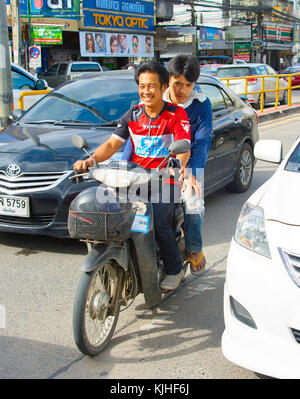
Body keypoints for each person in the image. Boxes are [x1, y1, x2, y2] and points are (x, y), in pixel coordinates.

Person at [73, 61, 191, 291]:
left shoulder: (177, 114)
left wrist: (176, 165)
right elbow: (111, 144)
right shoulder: (133, 115)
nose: (146, 91)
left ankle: (174, 269)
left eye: (152, 86)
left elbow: (184, 147)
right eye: (142, 86)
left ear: (164, 86)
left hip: (165, 181)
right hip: (135, 179)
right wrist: (91, 161)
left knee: (155, 218)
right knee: (110, 212)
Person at [165, 54, 213, 275]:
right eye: (177, 84)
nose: (182, 90)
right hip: (156, 164)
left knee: (193, 201)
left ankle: (194, 249)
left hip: (189, 165)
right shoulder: (156, 99)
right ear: (169, 79)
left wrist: (192, 173)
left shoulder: (201, 105)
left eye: (188, 85)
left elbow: (202, 143)